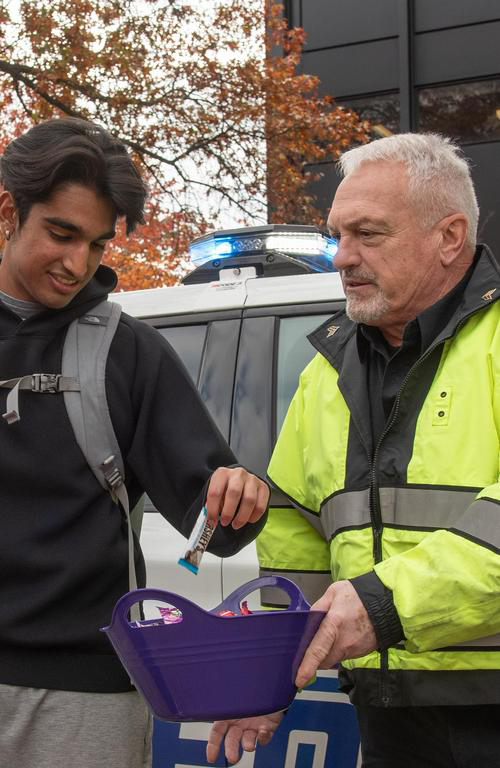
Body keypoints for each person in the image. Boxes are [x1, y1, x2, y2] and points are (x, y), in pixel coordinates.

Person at [207, 133, 500, 767]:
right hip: (386, 709)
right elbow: (295, 541)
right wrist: (273, 678)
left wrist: (382, 604)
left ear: (450, 237)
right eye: (338, 235)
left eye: (367, 234)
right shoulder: (326, 371)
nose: (341, 258)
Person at [0, 117, 269, 768]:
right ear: (8, 210)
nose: (77, 265)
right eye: (61, 235)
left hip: (84, 700)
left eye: (95, 245)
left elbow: (216, 526)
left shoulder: (128, 353)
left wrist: (238, 496)